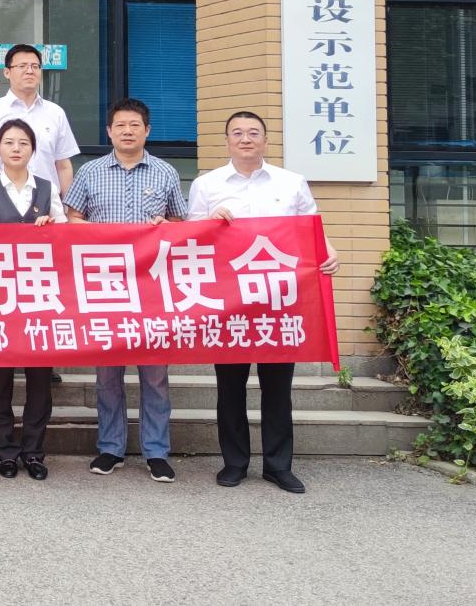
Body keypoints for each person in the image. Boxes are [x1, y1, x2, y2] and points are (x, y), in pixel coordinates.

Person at [187, 110, 341, 495]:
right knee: (230, 387)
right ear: (227, 141)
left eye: (253, 133)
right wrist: (209, 222)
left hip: (279, 300)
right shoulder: (207, 185)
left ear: (266, 141)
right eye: (237, 133)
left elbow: (312, 226)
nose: (246, 139)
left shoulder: (291, 182)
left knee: (277, 389)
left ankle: (278, 465)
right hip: (229, 302)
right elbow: (189, 239)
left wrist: (328, 251)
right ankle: (234, 463)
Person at [64, 97, 186, 483]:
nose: (127, 131)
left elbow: (181, 224)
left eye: (135, 125)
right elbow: (72, 219)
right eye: (120, 125)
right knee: (107, 374)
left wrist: (165, 226)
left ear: (147, 131)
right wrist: (101, 234)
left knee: (155, 375)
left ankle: (157, 451)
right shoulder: (90, 172)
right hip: (106, 287)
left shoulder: (166, 172)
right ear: (109, 131)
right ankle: (110, 448)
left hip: (152, 289)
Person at [0, 118, 63, 482]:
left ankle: (33, 450)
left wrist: (52, 229)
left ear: (33, 150)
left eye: (23, 143)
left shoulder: (47, 188)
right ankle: (5, 450)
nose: (16, 148)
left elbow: (67, 238)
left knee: (39, 380)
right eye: (9, 142)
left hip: (39, 296)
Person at [0, 44, 81, 194]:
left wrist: (66, 205)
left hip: (48, 200)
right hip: (3, 200)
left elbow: (63, 165)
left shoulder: (56, 112)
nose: (30, 71)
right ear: (7, 72)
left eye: (35, 66)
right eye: (22, 66)